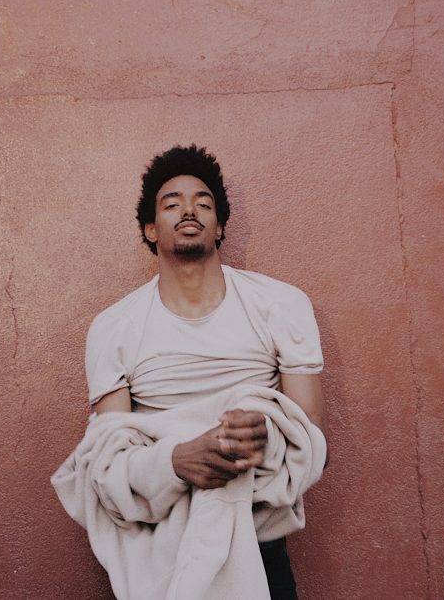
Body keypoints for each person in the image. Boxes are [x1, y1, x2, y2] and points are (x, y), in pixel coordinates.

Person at [84, 144, 327, 599]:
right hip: (162, 549)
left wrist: (266, 437)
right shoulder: (114, 327)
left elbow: (313, 438)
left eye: (203, 202)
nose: (189, 210)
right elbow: (107, 462)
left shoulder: (281, 305)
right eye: (171, 203)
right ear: (150, 229)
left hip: (259, 542)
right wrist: (175, 462)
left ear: (219, 228)